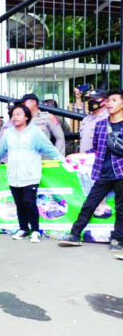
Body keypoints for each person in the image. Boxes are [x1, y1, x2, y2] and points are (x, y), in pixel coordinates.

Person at [0, 105, 63, 243]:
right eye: (13, 115)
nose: (15, 117)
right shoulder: (8, 133)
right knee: (19, 204)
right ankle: (23, 229)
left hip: (30, 175)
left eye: (19, 114)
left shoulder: (35, 133)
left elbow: (49, 149)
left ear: (26, 116)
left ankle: (35, 230)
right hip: (13, 176)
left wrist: (63, 160)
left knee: (29, 203)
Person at [59, 90, 123, 252]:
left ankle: (117, 239)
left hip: (121, 172)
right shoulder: (101, 125)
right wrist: (79, 155)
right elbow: (96, 150)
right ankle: (74, 235)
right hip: (103, 172)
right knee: (89, 203)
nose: (109, 103)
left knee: (121, 208)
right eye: (108, 100)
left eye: (114, 100)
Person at [75, 88, 109, 154]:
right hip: (84, 158)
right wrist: (78, 98)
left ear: (104, 101)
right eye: (90, 99)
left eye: (95, 99)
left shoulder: (107, 118)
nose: (91, 101)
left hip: (98, 159)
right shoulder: (86, 119)